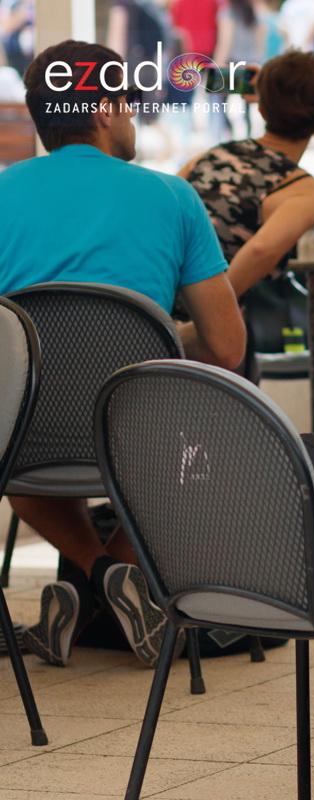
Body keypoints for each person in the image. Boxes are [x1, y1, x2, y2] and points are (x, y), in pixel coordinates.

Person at [0, 40, 244, 668]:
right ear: (106, 109)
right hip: (141, 435)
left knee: (12, 432)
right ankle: (123, 577)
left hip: (24, 436)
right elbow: (228, 347)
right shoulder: (171, 197)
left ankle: (96, 573)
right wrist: (161, 338)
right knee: (203, 441)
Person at [179, 49, 314, 378]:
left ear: (262, 106)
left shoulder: (209, 156)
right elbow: (260, 250)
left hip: (150, 302)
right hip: (200, 327)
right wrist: (202, 318)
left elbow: (168, 211)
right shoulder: (308, 191)